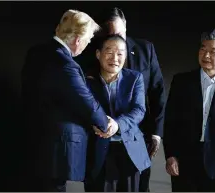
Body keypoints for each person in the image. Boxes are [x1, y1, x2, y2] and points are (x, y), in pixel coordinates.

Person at [21, 9, 116, 191]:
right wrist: (106, 124)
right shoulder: (65, 64)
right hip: (54, 152)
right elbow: (85, 101)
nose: (87, 45)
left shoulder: (36, 53)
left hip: (34, 143)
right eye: (88, 41)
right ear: (77, 40)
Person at [77, 7, 166, 192]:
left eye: (118, 33)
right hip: (99, 145)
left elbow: (156, 94)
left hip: (136, 139)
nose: (115, 58)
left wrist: (156, 133)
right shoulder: (91, 57)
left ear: (125, 26)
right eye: (109, 36)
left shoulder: (144, 51)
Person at [163, 28, 215, 192]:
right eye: (203, 49)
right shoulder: (181, 82)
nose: (206, 55)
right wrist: (170, 155)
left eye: (212, 51)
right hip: (184, 161)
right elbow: (170, 121)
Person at [84, 34, 151, 192]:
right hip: (99, 151)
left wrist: (117, 124)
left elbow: (139, 110)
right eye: (109, 52)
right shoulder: (86, 80)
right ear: (98, 54)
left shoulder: (134, 78)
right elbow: (82, 110)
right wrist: (94, 124)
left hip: (130, 151)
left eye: (120, 53)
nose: (115, 58)